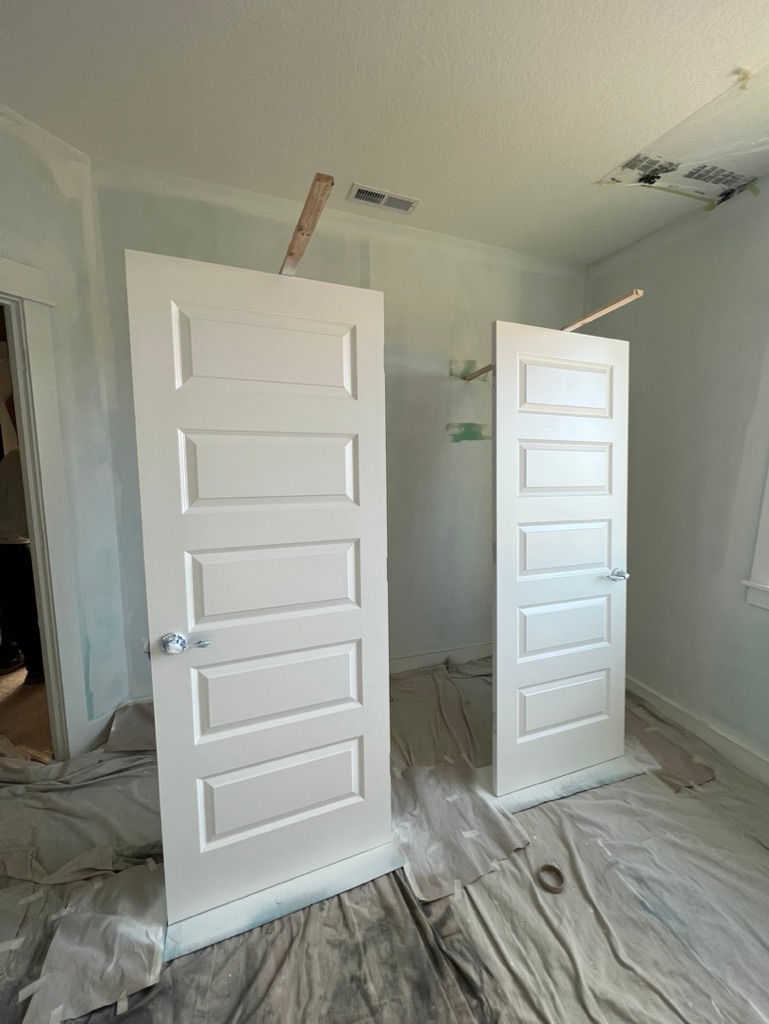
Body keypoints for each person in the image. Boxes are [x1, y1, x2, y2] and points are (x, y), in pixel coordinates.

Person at [0, 394, 44, 683]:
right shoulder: (32, 460)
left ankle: (34, 668)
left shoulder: (11, 458)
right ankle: (39, 670)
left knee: (16, 610)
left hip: (5, 544)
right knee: (30, 612)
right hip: (18, 545)